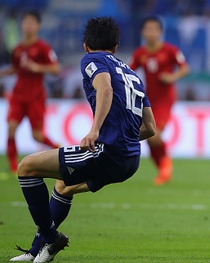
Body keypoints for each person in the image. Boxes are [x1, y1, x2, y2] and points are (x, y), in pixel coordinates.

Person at [10, 16, 156, 263]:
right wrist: (122, 137)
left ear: (85, 44)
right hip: (130, 160)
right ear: (116, 47)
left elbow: (105, 89)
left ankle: (49, 237)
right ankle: (36, 252)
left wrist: (95, 130)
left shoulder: (92, 59)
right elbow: (150, 128)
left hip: (108, 151)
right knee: (63, 186)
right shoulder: (133, 74)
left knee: (26, 168)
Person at [130, 16, 190, 185]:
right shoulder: (140, 53)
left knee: (154, 134)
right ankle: (163, 168)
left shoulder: (170, 51)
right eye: (147, 29)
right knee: (149, 135)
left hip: (165, 99)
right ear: (143, 32)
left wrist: (172, 77)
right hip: (148, 99)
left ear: (160, 32)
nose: (151, 33)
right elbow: (128, 71)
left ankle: (165, 166)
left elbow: (185, 68)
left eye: (154, 29)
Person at [0, 10, 60, 173]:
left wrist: (37, 67)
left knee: (37, 136)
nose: (28, 26)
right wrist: (3, 73)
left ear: (38, 26)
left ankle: (61, 150)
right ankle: (13, 168)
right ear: (22, 25)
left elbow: (56, 69)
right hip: (18, 95)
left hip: (35, 96)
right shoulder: (17, 49)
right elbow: (15, 69)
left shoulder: (43, 48)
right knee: (11, 128)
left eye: (31, 22)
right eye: (26, 22)